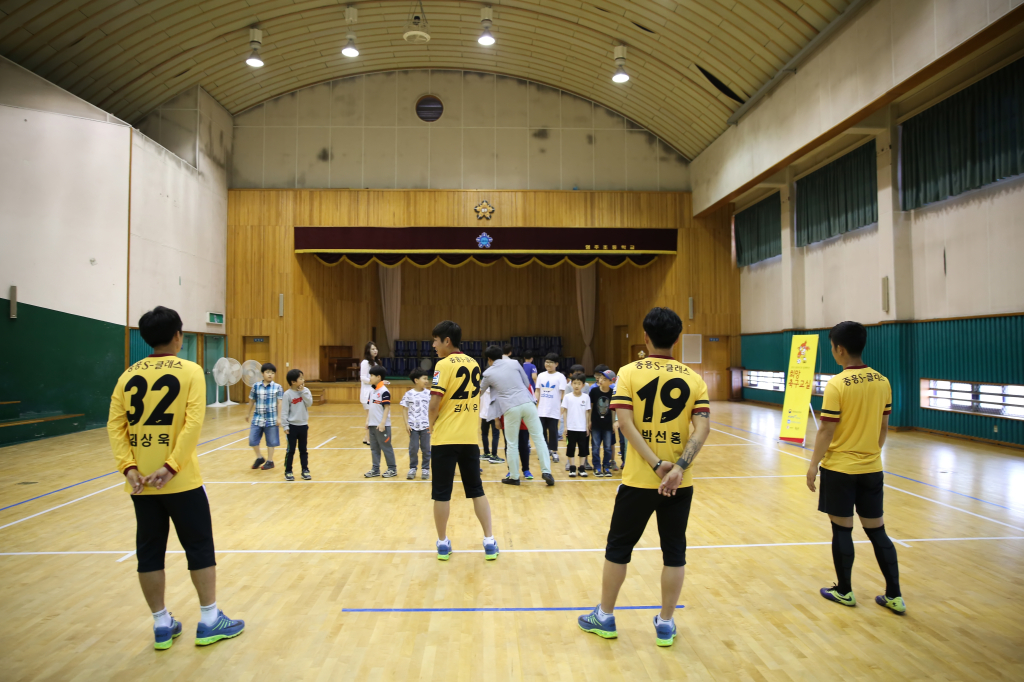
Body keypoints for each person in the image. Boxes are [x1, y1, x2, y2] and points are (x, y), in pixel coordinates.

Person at [108, 306, 244, 650]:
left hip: (140, 483)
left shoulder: (128, 375)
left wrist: (129, 467)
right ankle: (210, 619)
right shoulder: (190, 371)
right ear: (178, 335)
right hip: (180, 480)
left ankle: (161, 623)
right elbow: (193, 422)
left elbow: (115, 426)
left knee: (149, 552)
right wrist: (170, 466)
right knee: (198, 546)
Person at [578, 307, 710, 648]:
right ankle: (666, 622)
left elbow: (625, 424)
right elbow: (703, 428)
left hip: (639, 479)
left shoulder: (629, 372)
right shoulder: (693, 378)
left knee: (619, 548)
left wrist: (656, 465)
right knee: (674, 552)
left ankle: (605, 617)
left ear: (646, 337)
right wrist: (679, 466)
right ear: (677, 338)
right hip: (681, 483)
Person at [807, 321, 904, 615]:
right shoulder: (882, 381)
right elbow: (884, 427)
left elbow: (826, 430)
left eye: (832, 347)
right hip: (872, 468)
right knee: (878, 531)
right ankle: (895, 595)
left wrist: (813, 466)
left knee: (842, 530)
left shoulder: (837, 384)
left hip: (840, 470)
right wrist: (870, 453)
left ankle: (845, 591)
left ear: (840, 348)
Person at [428, 320, 498, 561]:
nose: (434, 345)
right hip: (469, 438)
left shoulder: (442, 365)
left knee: (441, 493)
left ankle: (442, 543)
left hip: (445, 438)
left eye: (436, 340)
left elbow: (435, 402)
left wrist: (430, 423)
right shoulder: (474, 363)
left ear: (447, 341)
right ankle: (489, 541)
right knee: (476, 490)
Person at [478, 345, 554, 486]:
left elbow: (478, 393)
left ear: (489, 359)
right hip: (528, 403)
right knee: (539, 438)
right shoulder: (514, 363)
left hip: (510, 407)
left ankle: (514, 476)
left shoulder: (488, 373)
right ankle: (546, 471)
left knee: (512, 443)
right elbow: (526, 383)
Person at [246, 362, 283, 470]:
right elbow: (252, 400)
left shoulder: (278, 387)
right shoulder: (256, 386)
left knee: (271, 441)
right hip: (258, 418)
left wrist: (279, 417)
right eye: (267, 372)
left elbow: (280, 403)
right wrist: (247, 413)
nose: (270, 374)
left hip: (272, 418)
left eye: (272, 373)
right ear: (262, 373)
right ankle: (259, 457)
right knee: (252, 440)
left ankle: (270, 461)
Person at [364, 364, 397, 478]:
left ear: (378, 377)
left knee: (386, 447)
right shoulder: (372, 391)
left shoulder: (384, 391)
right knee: (374, 448)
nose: (370, 378)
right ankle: (375, 469)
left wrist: (383, 423)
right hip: (373, 425)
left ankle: (392, 469)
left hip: (382, 426)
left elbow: (387, 408)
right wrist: (367, 421)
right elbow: (370, 407)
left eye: (372, 376)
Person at [401, 368, 432, 480]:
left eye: (427, 378)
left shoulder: (429, 393)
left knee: (426, 448)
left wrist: (432, 423)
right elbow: (404, 409)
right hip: (413, 426)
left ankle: (425, 469)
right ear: (416, 380)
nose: (426, 380)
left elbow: (433, 409)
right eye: (424, 378)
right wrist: (406, 424)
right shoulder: (409, 394)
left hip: (426, 426)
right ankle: (413, 468)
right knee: (413, 448)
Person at [282, 369, 313, 481]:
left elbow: (309, 403)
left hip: (303, 425)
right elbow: (284, 411)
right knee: (291, 450)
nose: (303, 380)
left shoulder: (306, 391)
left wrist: (303, 392)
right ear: (293, 382)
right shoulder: (287, 394)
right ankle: (288, 471)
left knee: (303, 449)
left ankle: (305, 470)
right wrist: (285, 426)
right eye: (300, 378)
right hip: (292, 426)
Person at [535, 353, 566, 462]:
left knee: (553, 431)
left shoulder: (560, 377)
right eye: (546, 362)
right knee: (541, 431)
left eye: (550, 362)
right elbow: (538, 390)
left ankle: (553, 451)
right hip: (542, 409)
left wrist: (563, 406)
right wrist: (534, 403)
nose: (547, 364)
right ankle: (544, 451)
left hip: (554, 409)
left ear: (556, 364)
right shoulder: (541, 375)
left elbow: (563, 393)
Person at [561, 373, 592, 477]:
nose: (576, 386)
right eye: (574, 383)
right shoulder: (567, 397)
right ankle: (572, 468)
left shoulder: (586, 397)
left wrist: (587, 426)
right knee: (571, 448)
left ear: (583, 385)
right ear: (571, 384)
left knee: (583, 448)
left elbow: (587, 412)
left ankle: (582, 468)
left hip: (582, 428)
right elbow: (564, 412)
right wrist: (565, 427)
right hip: (571, 428)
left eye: (579, 383)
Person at [590, 368, 616, 477]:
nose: (601, 380)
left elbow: (613, 410)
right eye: (601, 377)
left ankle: (606, 466)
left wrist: (614, 422)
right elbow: (590, 407)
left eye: (605, 379)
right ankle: (596, 467)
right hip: (596, 423)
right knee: (595, 446)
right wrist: (589, 421)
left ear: (611, 382)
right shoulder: (594, 391)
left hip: (607, 425)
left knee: (607, 447)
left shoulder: (613, 393)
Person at [359, 342, 379, 446]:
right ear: (368, 351)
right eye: (372, 349)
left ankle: (366, 437)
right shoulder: (365, 362)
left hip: (373, 392)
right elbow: (362, 377)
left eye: (376, 349)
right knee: (370, 416)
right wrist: (373, 381)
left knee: (370, 416)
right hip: (367, 393)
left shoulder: (375, 362)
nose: (375, 351)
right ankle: (368, 439)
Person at [479, 386, 503, 464]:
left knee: (484, 434)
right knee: (495, 435)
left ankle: (486, 453)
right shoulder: (497, 389)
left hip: (484, 415)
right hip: (494, 415)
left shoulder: (481, 388)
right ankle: (494, 455)